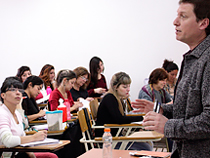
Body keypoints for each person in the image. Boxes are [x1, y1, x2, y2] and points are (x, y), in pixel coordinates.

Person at [132, 0, 210, 157]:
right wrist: (161, 109)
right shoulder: (193, 59)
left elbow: (208, 120)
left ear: (203, 23)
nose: (175, 22)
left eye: (183, 16)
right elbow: (189, 110)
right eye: (177, 15)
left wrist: (168, 126)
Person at [0, 77, 57, 158]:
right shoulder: (2, 113)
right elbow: (7, 141)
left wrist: (31, 154)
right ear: (3, 95)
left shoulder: (17, 113)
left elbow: (23, 136)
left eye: (20, 90)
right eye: (13, 90)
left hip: (19, 152)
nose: (18, 93)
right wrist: (33, 137)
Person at [96, 72, 152, 151]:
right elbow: (120, 119)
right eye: (125, 87)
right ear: (115, 87)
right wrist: (141, 118)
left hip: (115, 137)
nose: (128, 89)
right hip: (108, 141)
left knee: (148, 144)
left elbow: (121, 119)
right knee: (146, 147)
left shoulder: (118, 99)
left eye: (129, 86)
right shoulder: (109, 98)